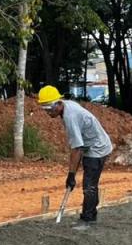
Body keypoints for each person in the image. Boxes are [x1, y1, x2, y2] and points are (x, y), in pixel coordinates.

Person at [38, 85, 113, 231]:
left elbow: (76, 149)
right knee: (90, 183)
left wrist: (71, 175)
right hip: (90, 146)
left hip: (97, 148)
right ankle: (91, 213)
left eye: (49, 109)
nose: (47, 113)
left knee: (89, 185)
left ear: (58, 104)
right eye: (44, 110)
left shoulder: (70, 116)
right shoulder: (67, 106)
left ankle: (88, 219)